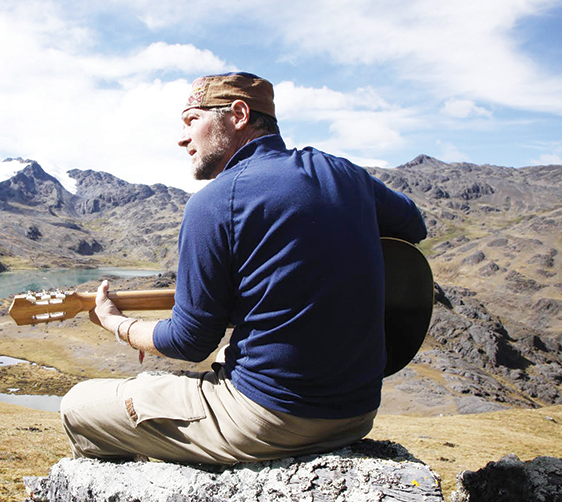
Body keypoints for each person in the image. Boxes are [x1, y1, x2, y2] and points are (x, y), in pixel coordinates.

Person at [60, 72, 427, 465]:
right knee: (224, 355)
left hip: (271, 419)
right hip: (358, 414)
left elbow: (190, 341)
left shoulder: (215, 202)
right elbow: (413, 227)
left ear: (238, 114)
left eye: (192, 120)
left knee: (78, 406)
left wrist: (118, 324)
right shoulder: (342, 173)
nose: (182, 139)